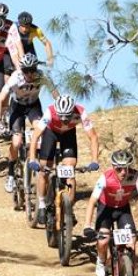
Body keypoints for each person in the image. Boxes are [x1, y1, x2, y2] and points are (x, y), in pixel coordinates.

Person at [82, 149, 138, 276]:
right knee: (103, 241)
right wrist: (87, 225)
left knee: (131, 242)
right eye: (119, 169)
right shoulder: (105, 178)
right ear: (113, 167)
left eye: (126, 168)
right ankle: (101, 262)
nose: (123, 172)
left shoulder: (135, 176)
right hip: (105, 209)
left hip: (123, 210)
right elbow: (92, 201)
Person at [27, 95, 100, 224]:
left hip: (68, 135)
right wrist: (33, 159)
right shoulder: (50, 112)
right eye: (61, 116)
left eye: (67, 116)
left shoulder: (81, 112)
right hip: (51, 133)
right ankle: (42, 204)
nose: (64, 119)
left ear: (72, 111)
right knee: (44, 169)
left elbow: (93, 137)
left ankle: (68, 209)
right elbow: (35, 136)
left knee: (70, 170)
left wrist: (95, 160)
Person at [0, 53, 48, 193]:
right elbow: (0, 98)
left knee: (39, 130)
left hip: (33, 107)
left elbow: (56, 94)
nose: (30, 74)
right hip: (17, 107)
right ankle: (11, 174)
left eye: (33, 70)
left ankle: (37, 162)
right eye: (26, 70)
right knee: (17, 142)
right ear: (21, 70)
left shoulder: (41, 76)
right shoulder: (15, 78)